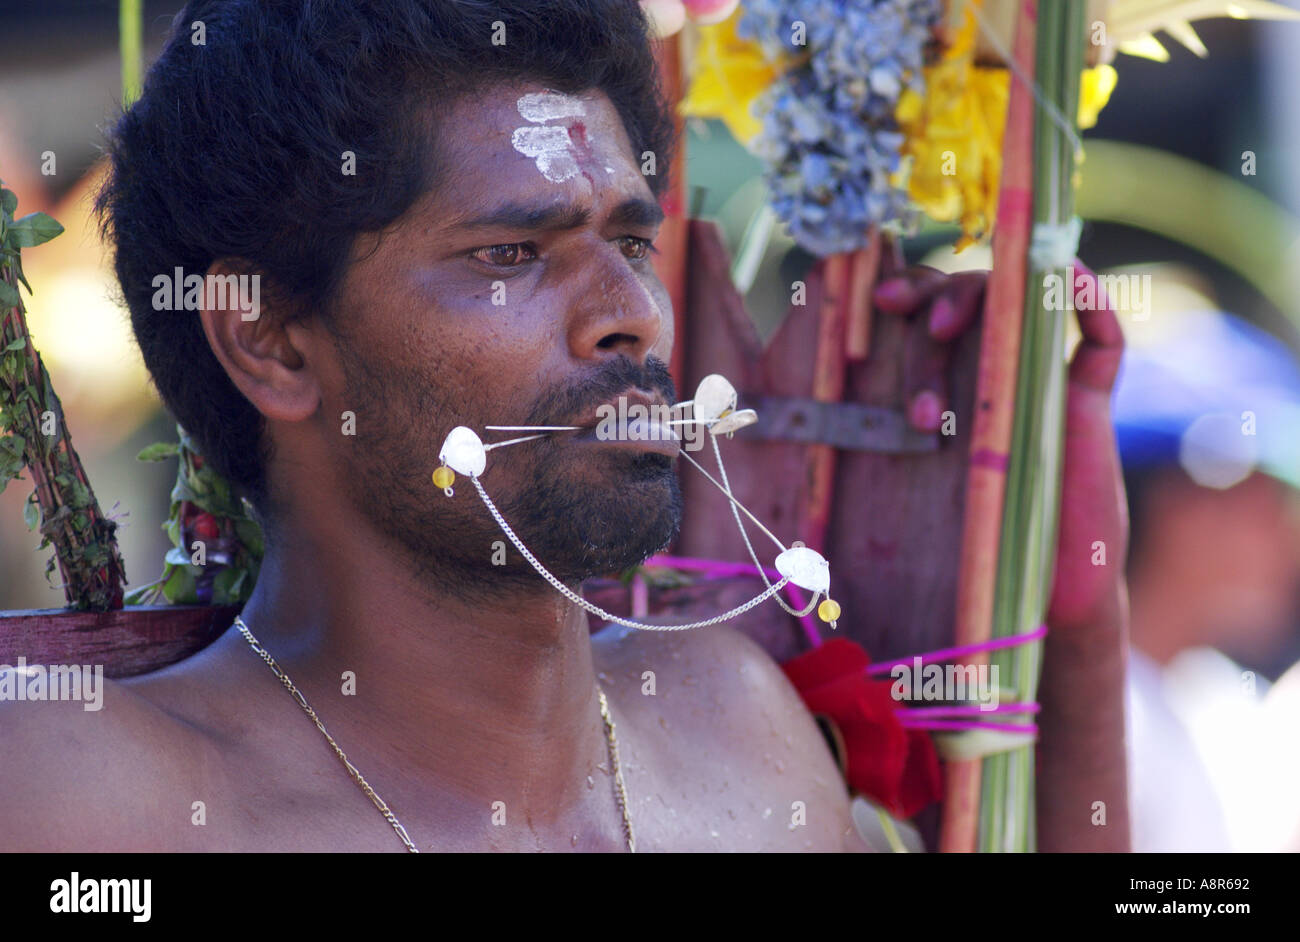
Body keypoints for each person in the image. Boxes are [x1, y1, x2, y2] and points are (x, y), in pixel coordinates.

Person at [0, 0, 1129, 851]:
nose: (632, 315)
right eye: (511, 256)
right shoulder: (99, 800)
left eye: (631, 245)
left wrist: (1071, 623)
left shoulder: (736, 725)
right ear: (275, 343)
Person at [1115, 308, 1300, 851]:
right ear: (1186, 507)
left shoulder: (1213, 701)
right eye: (1271, 507)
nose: (1291, 546)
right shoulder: (1089, 718)